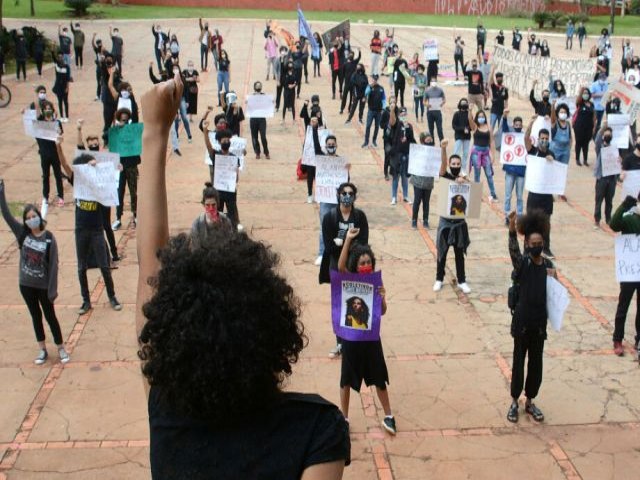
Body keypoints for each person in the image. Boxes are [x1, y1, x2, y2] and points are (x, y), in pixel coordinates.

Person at [135, 77, 350, 478]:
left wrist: (155, 131)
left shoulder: (166, 410)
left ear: (170, 338)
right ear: (273, 331)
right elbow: (151, 266)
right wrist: (157, 131)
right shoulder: (315, 433)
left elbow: (150, 263)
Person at [0, 180, 69, 365]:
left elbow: (54, 265)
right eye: (28, 217)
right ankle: (42, 349)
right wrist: (1, 193)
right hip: (26, 285)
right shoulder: (23, 234)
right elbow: (6, 215)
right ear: (25, 221)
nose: (31, 219)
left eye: (34, 216)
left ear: (39, 216)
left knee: (50, 315)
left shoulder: (48, 239)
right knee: (35, 316)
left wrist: (52, 290)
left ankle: (61, 347)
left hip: (43, 286)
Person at [336, 228, 396, 435]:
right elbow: (340, 265)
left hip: (371, 340)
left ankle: (388, 416)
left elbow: (384, 312)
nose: (366, 265)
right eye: (362, 263)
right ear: (356, 265)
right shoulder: (349, 279)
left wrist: (383, 298)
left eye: (368, 262)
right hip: (351, 340)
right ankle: (343, 418)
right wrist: (348, 240)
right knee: (346, 379)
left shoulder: (376, 282)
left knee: (379, 377)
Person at [506, 210, 556, 424]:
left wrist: (556, 280)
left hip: (539, 325)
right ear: (527, 243)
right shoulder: (523, 264)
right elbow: (514, 252)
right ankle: (514, 402)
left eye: (540, 242)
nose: (537, 245)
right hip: (522, 324)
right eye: (533, 242)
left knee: (536, 365)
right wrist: (511, 231)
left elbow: (556, 295)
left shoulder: (548, 267)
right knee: (518, 363)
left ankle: (530, 400)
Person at [74, 120, 120, 264]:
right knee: (98, 227)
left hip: (104, 197)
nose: (94, 145)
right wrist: (79, 129)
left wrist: (118, 168)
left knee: (106, 225)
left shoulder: (105, 157)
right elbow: (79, 145)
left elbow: (113, 169)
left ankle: (114, 253)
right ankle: (104, 256)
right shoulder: (85, 157)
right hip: (92, 198)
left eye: (96, 143)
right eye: (91, 143)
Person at [434, 140, 471, 294]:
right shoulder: (446, 176)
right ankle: (439, 279)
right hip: (445, 223)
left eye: (458, 163)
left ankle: (462, 280)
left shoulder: (464, 180)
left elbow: (473, 196)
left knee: (459, 254)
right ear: (450, 164)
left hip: (459, 223)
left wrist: (465, 181)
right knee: (442, 253)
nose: (455, 165)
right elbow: (442, 167)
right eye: (453, 163)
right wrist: (443, 149)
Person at [609, 188, 640, 357]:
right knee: (624, 305)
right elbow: (614, 224)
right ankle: (617, 339)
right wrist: (623, 206)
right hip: (630, 271)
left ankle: (638, 339)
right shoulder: (629, 219)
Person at [524, 117, 556, 258]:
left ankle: (546, 248)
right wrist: (531, 123)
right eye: (542, 138)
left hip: (546, 196)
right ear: (538, 139)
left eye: (546, 138)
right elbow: (526, 138)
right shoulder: (533, 151)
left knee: (546, 224)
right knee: (530, 222)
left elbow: (556, 174)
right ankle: (527, 247)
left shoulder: (551, 154)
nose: (544, 140)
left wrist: (552, 162)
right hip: (534, 195)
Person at [202, 123, 242, 231]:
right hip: (218, 192)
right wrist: (205, 131)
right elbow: (208, 145)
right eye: (223, 140)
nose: (226, 142)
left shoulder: (234, 158)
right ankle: (216, 232)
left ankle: (234, 232)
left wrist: (234, 176)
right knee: (216, 214)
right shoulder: (215, 155)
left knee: (233, 215)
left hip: (230, 191)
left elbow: (237, 178)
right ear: (219, 142)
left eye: (227, 140)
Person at [31, 94, 65, 208]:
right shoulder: (40, 122)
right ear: (43, 111)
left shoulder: (57, 122)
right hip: (44, 154)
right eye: (46, 109)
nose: (48, 111)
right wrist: (36, 96)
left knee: (58, 175)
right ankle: (45, 197)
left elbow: (61, 136)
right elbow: (35, 110)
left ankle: (61, 196)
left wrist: (59, 132)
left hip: (55, 153)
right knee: (45, 176)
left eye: (49, 109)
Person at [109, 108, 140, 231]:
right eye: (122, 117)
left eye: (126, 117)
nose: (124, 119)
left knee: (133, 191)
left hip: (131, 165)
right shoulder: (116, 131)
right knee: (119, 192)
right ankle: (118, 217)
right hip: (120, 167)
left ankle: (135, 215)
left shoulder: (132, 130)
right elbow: (107, 137)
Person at [501, 111, 526, 224]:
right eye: (516, 125)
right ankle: (507, 215)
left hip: (521, 171)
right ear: (513, 125)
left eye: (519, 125)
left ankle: (520, 216)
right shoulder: (509, 135)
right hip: (510, 171)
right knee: (508, 195)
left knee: (520, 196)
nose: (518, 126)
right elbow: (504, 128)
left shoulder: (525, 136)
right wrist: (505, 117)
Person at [388, 102, 415, 205]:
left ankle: (406, 196)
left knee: (405, 177)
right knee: (396, 177)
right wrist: (392, 110)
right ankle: (394, 197)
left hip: (406, 154)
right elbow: (392, 121)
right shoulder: (396, 125)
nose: (403, 116)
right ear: (398, 115)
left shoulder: (409, 126)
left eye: (405, 115)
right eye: (401, 115)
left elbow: (412, 139)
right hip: (396, 155)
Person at [468, 105, 497, 201]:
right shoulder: (475, 127)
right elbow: (470, 120)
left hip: (486, 153)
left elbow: (492, 141)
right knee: (477, 174)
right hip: (476, 153)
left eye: (482, 116)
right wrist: (470, 110)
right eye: (479, 116)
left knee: (489, 174)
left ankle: (493, 194)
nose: (481, 118)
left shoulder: (489, 127)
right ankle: (477, 195)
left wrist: (493, 155)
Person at [593, 123, 618, 228]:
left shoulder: (614, 148)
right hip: (602, 178)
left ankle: (608, 219)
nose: (608, 136)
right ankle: (597, 220)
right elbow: (598, 138)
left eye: (610, 134)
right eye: (606, 134)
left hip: (612, 179)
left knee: (609, 201)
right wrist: (603, 127)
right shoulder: (600, 147)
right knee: (599, 200)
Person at [411, 132, 436, 229]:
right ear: (422, 141)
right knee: (417, 201)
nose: (430, 141)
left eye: (431, 140)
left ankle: (426, 220)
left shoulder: (434, 152)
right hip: (418, 181)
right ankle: (414, 220)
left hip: (429, 182)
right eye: (427, 140)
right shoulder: (418, 151)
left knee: (426, 202)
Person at [362, 74, 386, 149]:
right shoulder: (369, 87)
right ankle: (366, 141)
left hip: (379, 111)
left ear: (377, 80)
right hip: (371, 110)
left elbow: (384, 99)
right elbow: (366, 93)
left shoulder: (381, 88)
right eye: (372, 79)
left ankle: (374, 141)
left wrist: (383, 108)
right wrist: (370, 86)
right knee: (368, 125)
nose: (373, 81)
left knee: (376, 126)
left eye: (375, 80)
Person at [574, 87, 596, 166]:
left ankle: (585, 160)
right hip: (579, 126)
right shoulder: (579, 103)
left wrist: (594, 127)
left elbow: (594, 115)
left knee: (586, 143)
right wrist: (581, 91)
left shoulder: (591, 104)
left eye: (587, 93)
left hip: (589, 127)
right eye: (584, 93)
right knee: (579, 142)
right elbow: (578, 100)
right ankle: (577, 159)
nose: (585, 94)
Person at [249, 81, 270, 159]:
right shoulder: (251, 96)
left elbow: (268, 104)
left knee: (263, 136)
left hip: (261, 119)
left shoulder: (264, 96)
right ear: (254, 87)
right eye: (257, 86)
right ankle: (257, 152)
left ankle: (266, 152)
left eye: (259, 85)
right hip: (253, 119)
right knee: (254, 137)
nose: (258, 87)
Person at [451, 98, 471, 171]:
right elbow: (454, 125)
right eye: (462, 103)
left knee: (465, 153)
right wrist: (463, 129)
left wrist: (468, 129)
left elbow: (472, 125)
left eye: (465, 103)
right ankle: (454, 168)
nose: (464, 105)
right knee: (456, 152)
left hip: (467, 136)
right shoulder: (456, 114)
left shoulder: (469, 114)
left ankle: (463, 169)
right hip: (458, 136)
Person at [51, 50, 71, 122]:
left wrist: (67, 87)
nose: (60, 58)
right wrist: (52, 49)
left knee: (65, 101)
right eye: (59, 57)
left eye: (61, 57)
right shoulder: (57, 65)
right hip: (58, 86)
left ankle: (67, 116)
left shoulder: (67, 67)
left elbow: (68, 78)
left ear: (63, 58)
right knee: (59, 101)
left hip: (64, 86)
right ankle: (62, 116)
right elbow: (53, 57)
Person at [340, 48, 361, 114]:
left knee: (351, 97)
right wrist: (342, 82)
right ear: (348, 55)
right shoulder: (345, 64)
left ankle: (349, 108)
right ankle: (342, 108)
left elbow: (359, 57)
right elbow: (343, 74)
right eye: (350, 54)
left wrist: (359, 51)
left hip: (352, 84)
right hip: (346, 83)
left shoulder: (355, 62)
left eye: (352, 55)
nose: (351, 55)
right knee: (344, 97)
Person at [282, 60, 297, 125]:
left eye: (291, 65)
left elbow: (296, 81)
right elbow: (284, 82)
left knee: (293, 105)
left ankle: (294, 119)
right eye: (289, 65)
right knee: (285, 105)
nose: (290, 66)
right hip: (286, 91)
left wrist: (293, 85)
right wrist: (288, 86)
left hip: (292, 91)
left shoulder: (294, 73)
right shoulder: (285, 73)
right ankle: (283, 119)